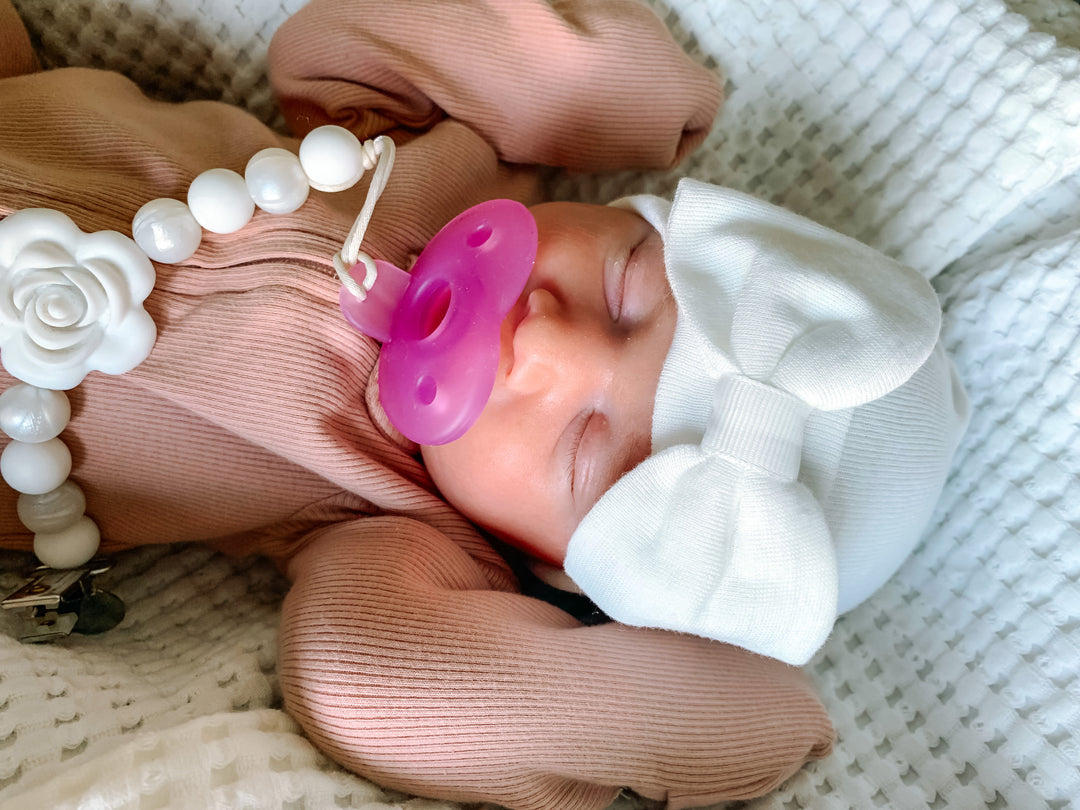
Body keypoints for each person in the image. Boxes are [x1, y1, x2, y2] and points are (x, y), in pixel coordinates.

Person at [0, 0, 851, 807]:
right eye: (625, 282)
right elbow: (331, 48)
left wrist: (713, 714)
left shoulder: (389, 530)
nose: (543, 338)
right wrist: (586, 92)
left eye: (586, 445)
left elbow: (362, 686)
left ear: (562, 566)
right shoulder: (453, 164)